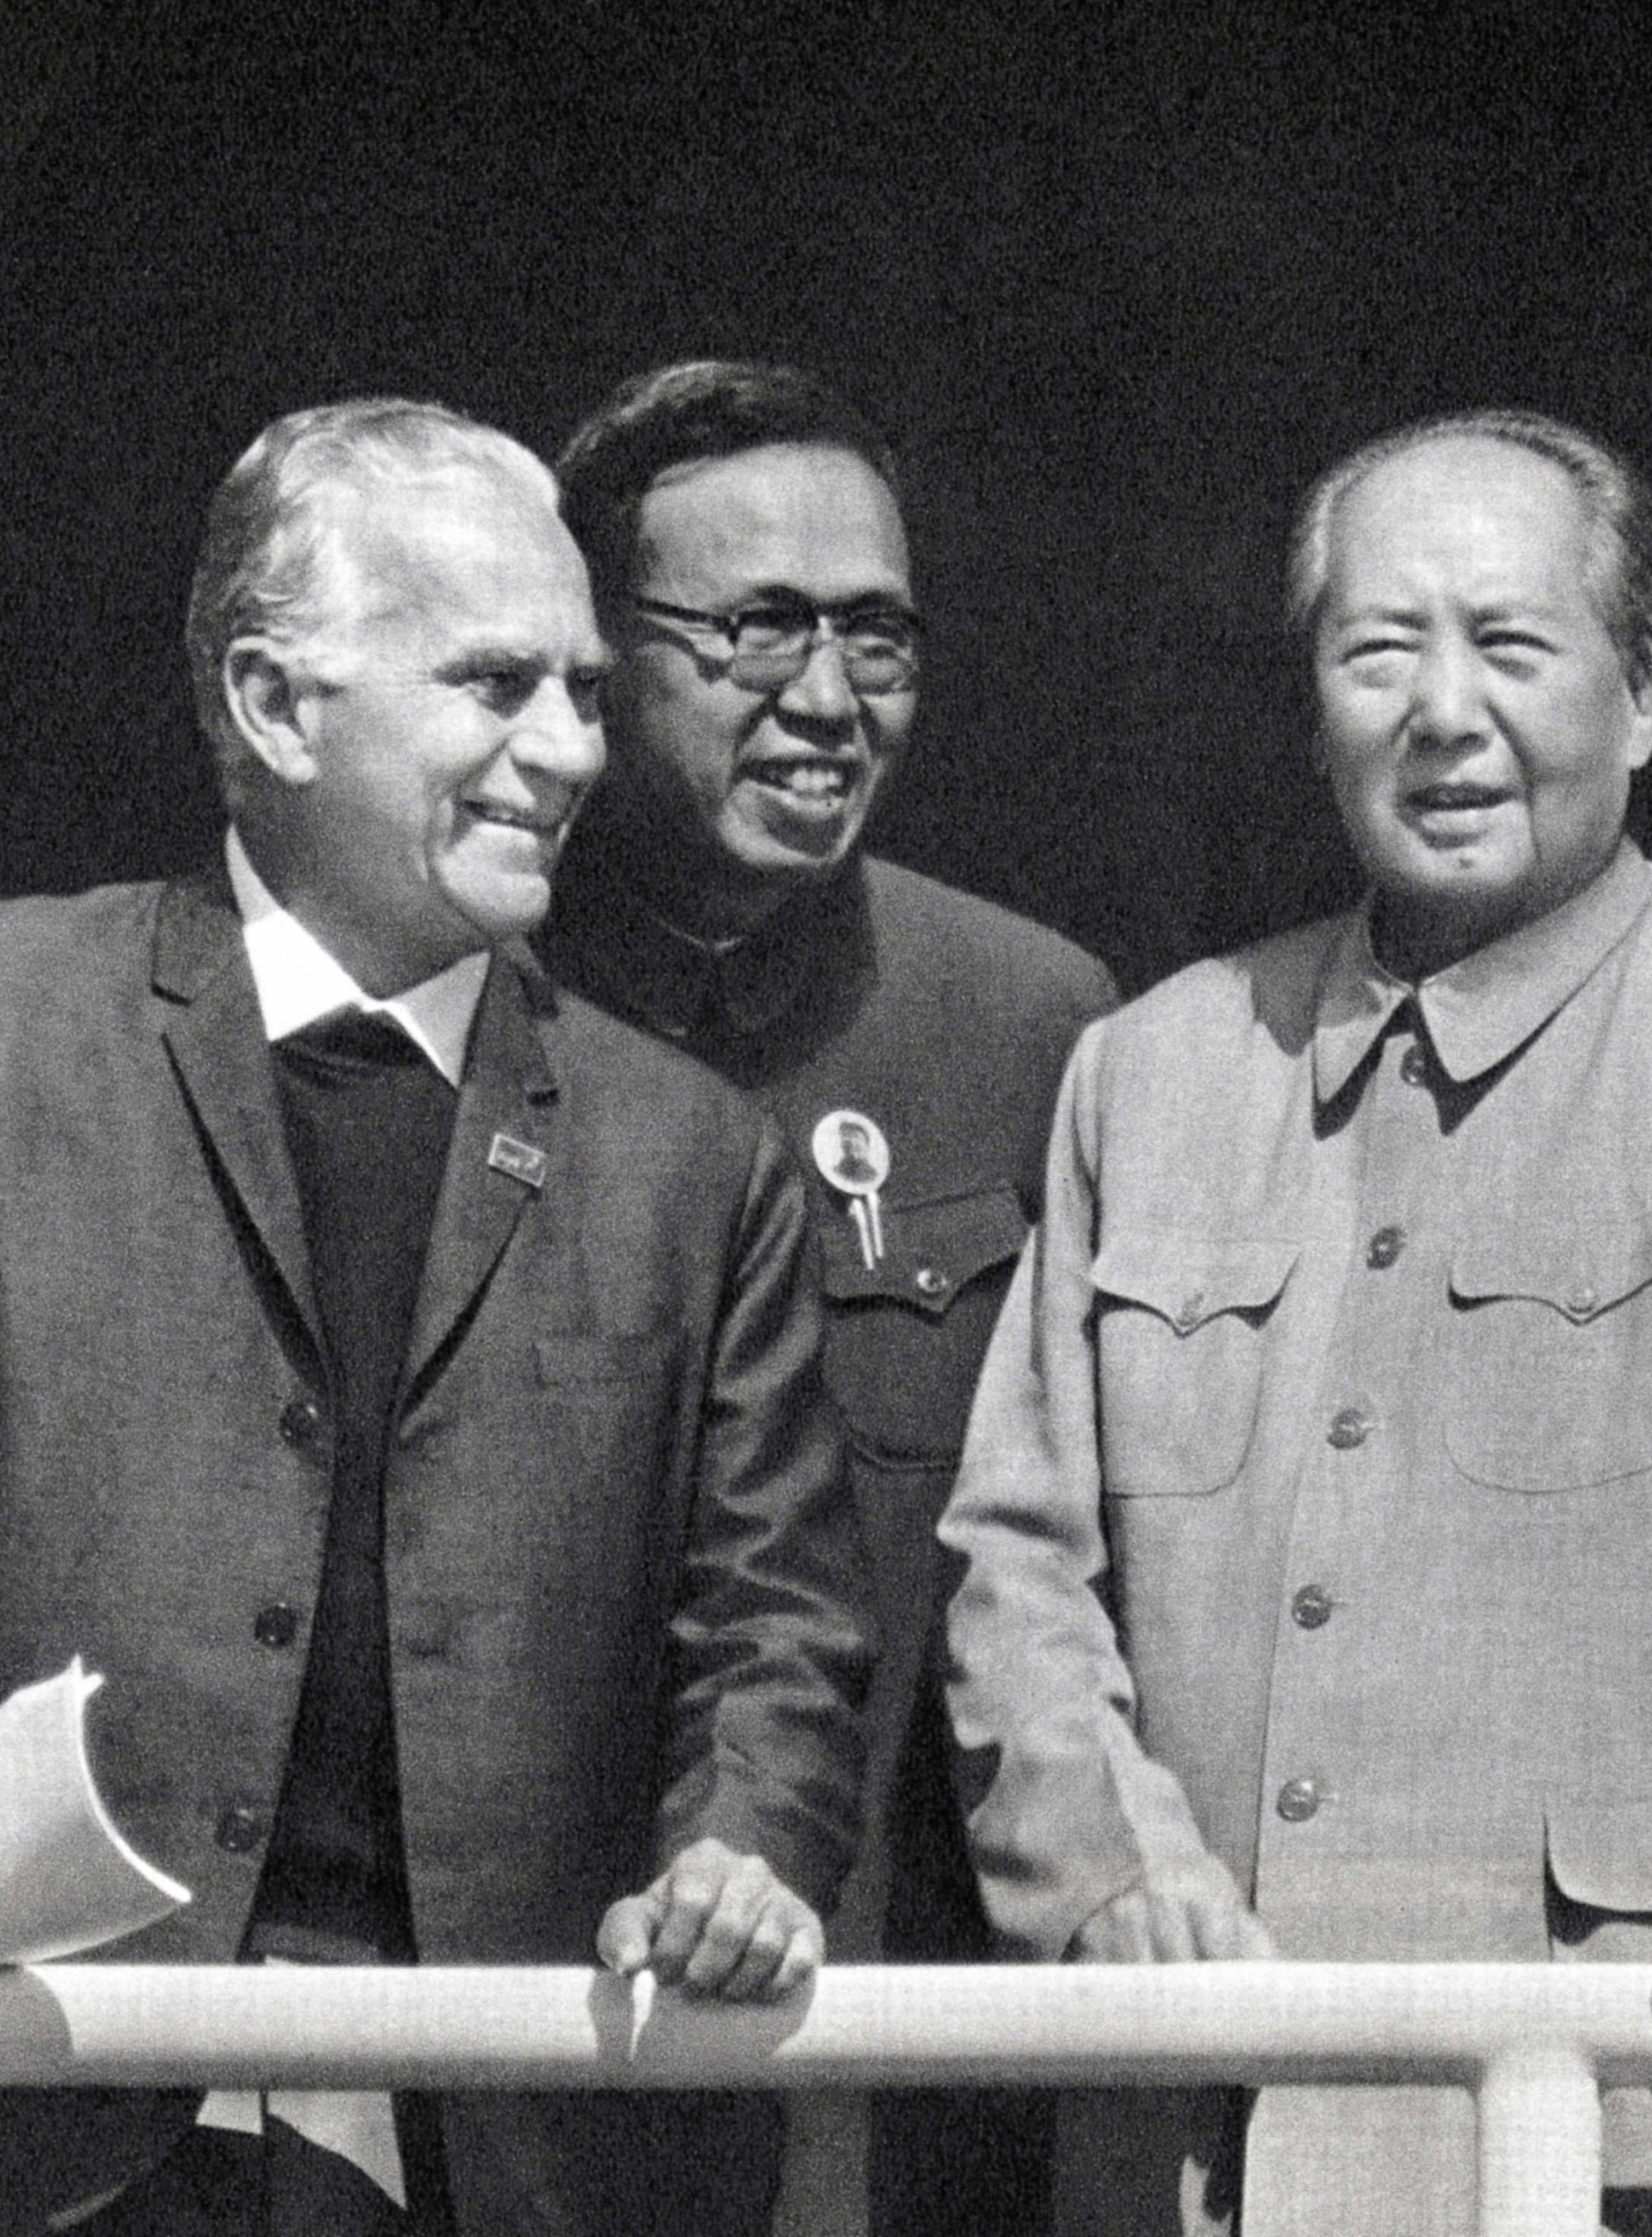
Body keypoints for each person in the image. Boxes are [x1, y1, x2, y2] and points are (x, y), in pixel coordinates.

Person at [0, 398, 870, 2237]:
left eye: (588, 691)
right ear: (277, 706)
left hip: (504, 2147)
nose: (570, 752)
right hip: (15, 2116)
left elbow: (777, 1624)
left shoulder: (692, 1155)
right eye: (497, 683)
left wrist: (737, 1860)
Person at [940, 407, 1652, 2235]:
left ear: (1641, 694)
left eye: (1510, 644)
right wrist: (1103, 1868)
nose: (1442, 709)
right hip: (1197, 2140)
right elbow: (1014, 1558)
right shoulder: (1147, 1072)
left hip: (1637, 2137)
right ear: (1314, 705)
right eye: (1379, 650)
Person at [537, 359, 1117, 2236]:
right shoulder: (467, 990)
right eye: (755, 628)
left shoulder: (1028, 1023)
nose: (825, 697)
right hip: (517, 2037)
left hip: (889, 2051)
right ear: (596, 651)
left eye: (877, 637)